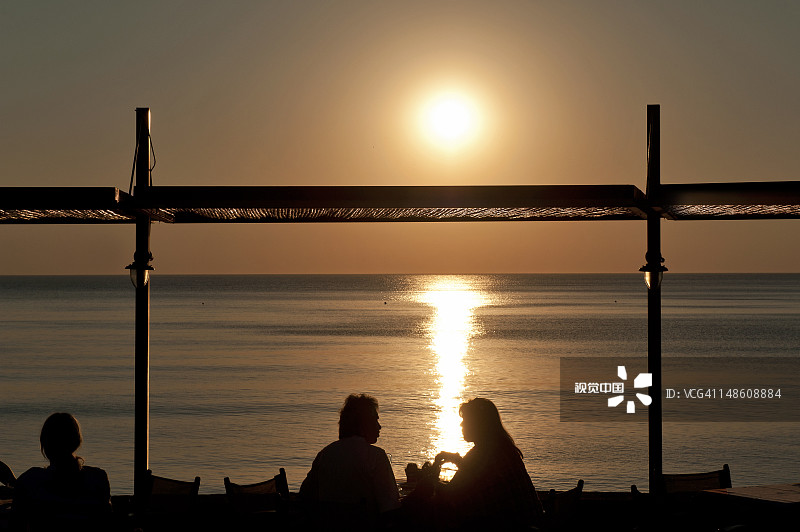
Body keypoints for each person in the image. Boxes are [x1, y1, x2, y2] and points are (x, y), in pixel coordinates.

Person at [412, 398, 543, 531]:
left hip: (507, 528)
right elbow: (479, 476)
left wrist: (429, 481)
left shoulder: (480, 454)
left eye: (466, 420)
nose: (461, 425)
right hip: (533, 522)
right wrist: (457, 460)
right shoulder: (505, 448)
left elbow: (450, 494)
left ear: (479, 424)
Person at [300, 394, 400, 530]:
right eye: (375, 420)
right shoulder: (376, 456)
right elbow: (390, 507)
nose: (379, 426)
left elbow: (305, 495)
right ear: (364, 423)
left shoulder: (325, 454)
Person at [11, 412, 111, 531]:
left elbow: (16, 525)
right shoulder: (98, 478)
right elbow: (107, 523)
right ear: (77, 441)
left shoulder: (29, 481)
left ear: (45, 445)